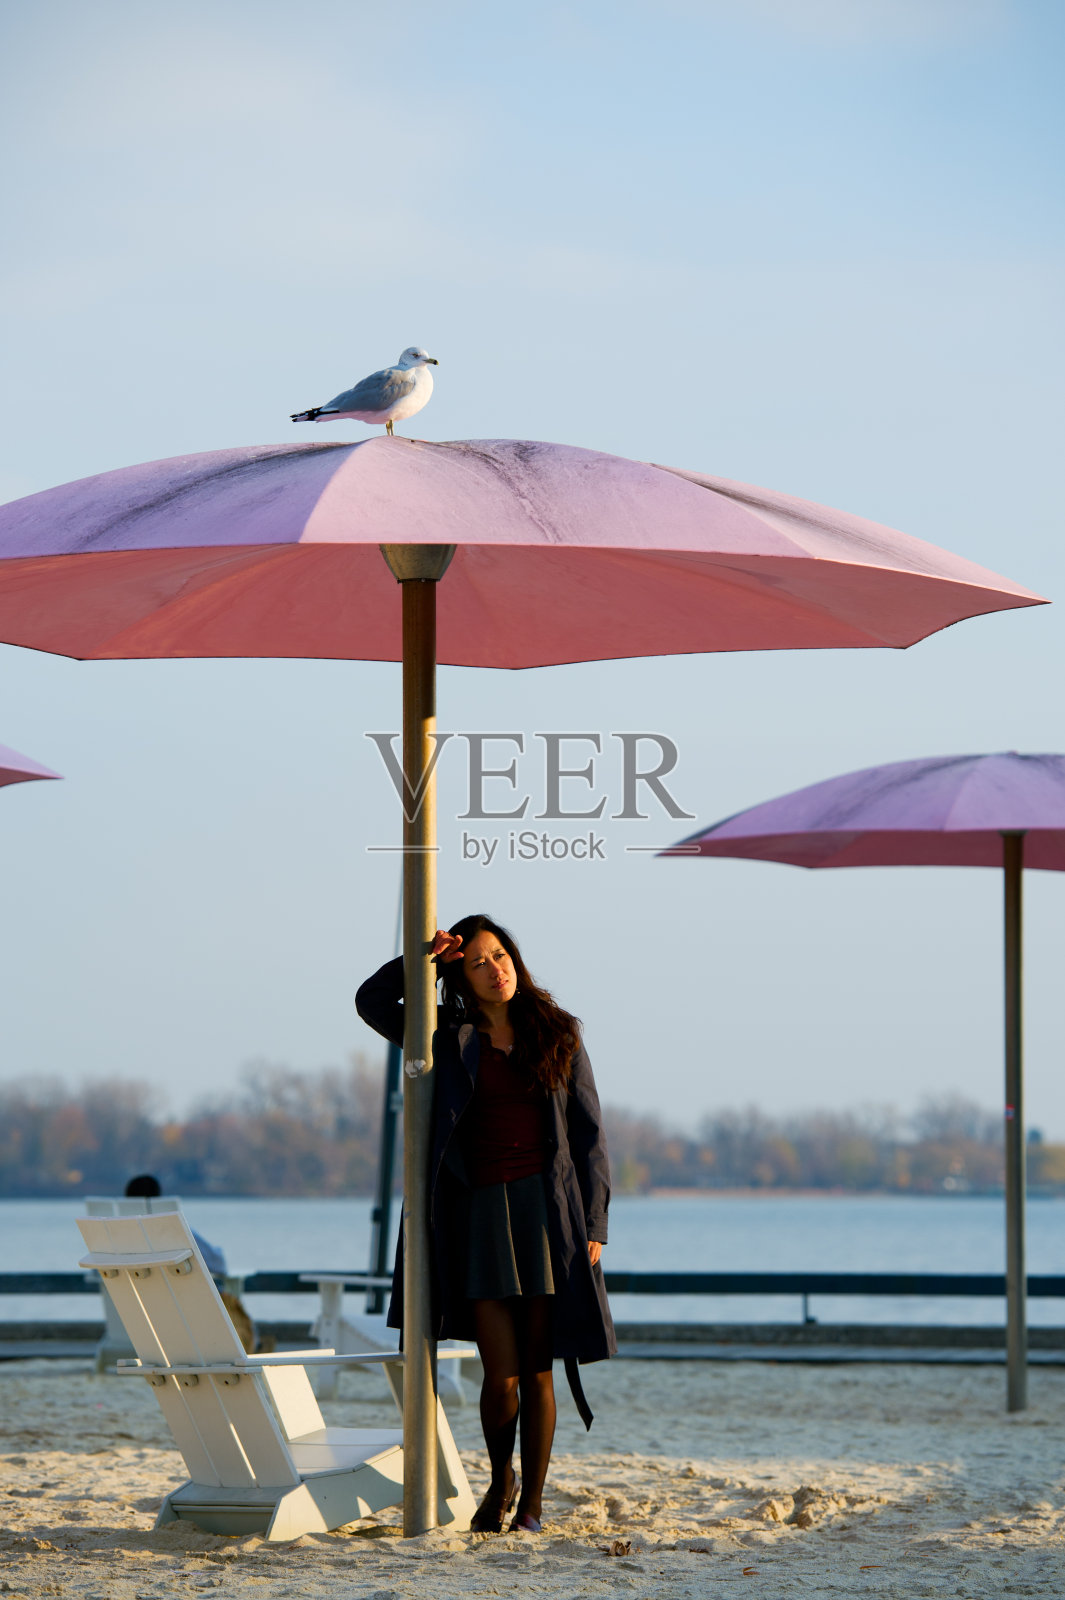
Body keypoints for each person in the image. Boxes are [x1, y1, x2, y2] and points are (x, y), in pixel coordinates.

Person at [356, 913, 615, 1535]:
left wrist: (596, 1222)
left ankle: (531, 1506)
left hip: (549, 1214)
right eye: (477, 961)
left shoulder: (559, 1032)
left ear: (515, 961)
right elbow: (369, 1002)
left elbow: (589, 1134)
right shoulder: (442, 1034)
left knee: (538, 1369)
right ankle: (501, 1480)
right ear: (461, 975)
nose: (495, 969)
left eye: (500, 955)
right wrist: (421, 959)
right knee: (500, 1371)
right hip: (476, 1214)